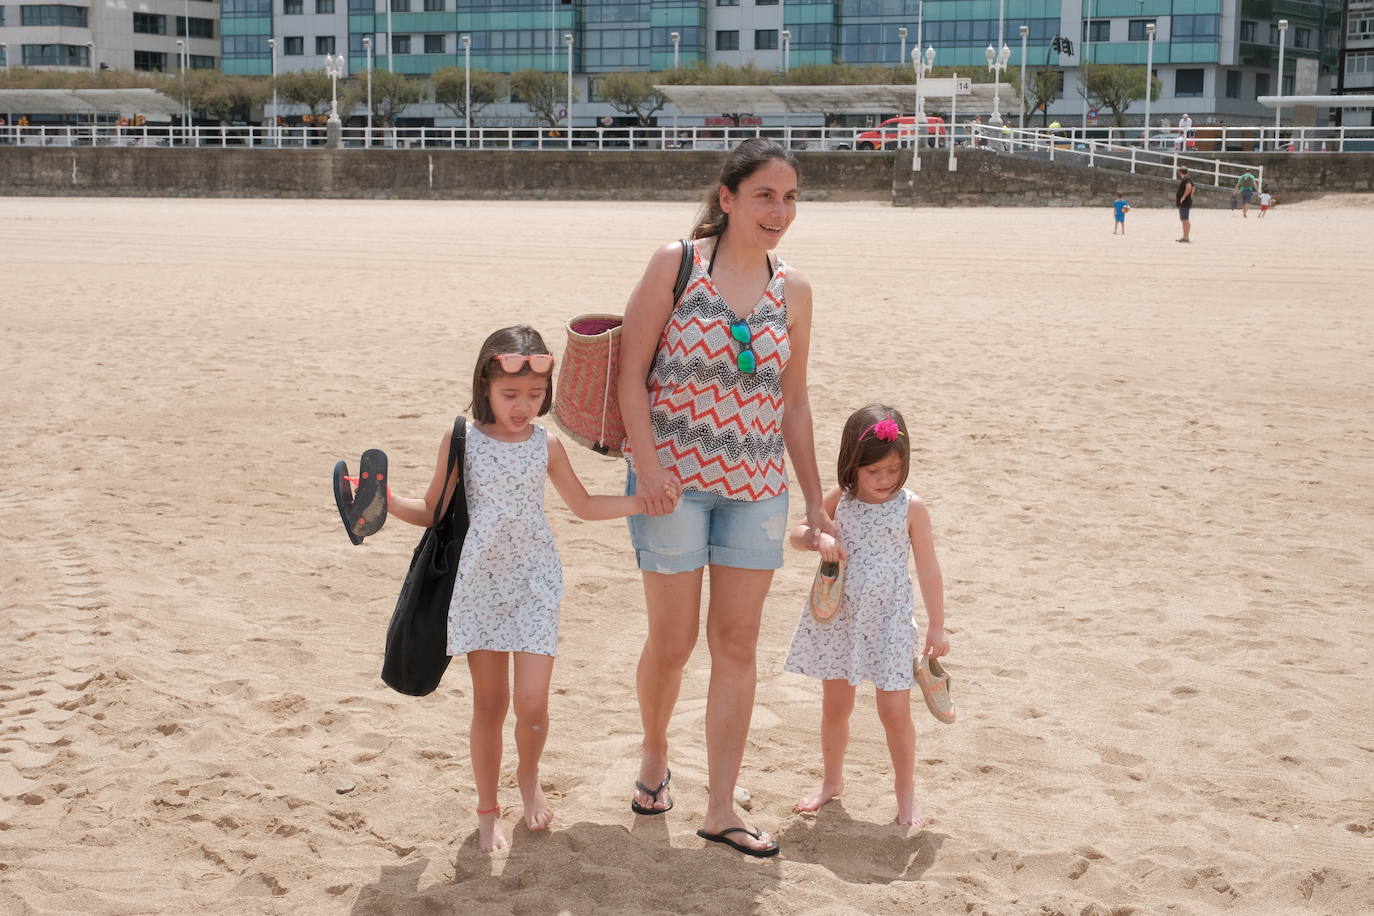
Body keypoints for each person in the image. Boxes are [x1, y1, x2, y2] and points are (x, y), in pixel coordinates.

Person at [378, 325, 678, 852]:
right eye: (510, 395)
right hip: (479, 584)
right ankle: (488, 809)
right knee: (490, 704)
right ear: (485, 386)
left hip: (535, 581)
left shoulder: (547, 443)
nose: (522, 407)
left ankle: (529, 778)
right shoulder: (462, 439)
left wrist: (642, 500)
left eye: (535, 396)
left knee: (533, 703)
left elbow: (583, 507)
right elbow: (432, 512)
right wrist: (382, 500)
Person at [617, 138, 830, 858]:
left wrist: (813, 500)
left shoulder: (794, 289)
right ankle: (653, 752)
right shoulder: (675, 264)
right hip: (669, 485)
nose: (781, 210)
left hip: (757, 491)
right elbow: (629, 376)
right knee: (672, 645)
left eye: (792, 197)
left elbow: (793, 404)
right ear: (729, 197)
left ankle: (718, 808)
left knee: (736, 644)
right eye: (766, 195)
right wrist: (648, 469)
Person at [783, 405, 949, 828]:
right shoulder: (841, 500)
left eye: (893, 469)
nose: (884, 480)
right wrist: (818, 538)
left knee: (894, 712)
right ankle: (832, 781)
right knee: (836, 706)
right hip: (841, 619)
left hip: (890, 623)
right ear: (852, 466)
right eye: (873, 471)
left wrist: (936, 624)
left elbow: (928, 567)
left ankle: (906, 796)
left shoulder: (912, 507)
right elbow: (798, 533)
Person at [1176, 167, 1196, 243]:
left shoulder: (1186, 179)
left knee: (1185, 220)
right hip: (1186, 202)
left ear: (1180, 172)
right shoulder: (1188, 178)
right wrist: (1190, 195)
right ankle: (1185, 236)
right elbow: (1193, 188)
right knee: (1184, 219)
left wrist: (1184, 197)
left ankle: (1186, 237)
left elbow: (1189, 187)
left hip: (1184, 202)